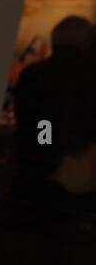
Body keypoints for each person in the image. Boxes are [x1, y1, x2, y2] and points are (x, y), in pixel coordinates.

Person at [14, 16, 95, 181]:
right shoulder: (87, 78)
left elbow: (37, 120)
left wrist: (45, 143)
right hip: (71, 169)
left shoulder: (33, 74)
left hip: (35, 166)